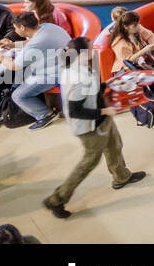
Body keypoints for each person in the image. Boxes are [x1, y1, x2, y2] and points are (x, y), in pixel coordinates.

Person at [41, 37, 146, 219]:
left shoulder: (78, 66)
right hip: (90, 128)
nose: (94, 50)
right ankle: (57, 199)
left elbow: (93, 88)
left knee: (114, 145)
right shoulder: (77, 77)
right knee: (88, 162)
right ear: (82, 53)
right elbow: (76, 110)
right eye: (91, 48)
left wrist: (111, 84)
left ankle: (121, 177)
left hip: (101, 119)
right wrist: (105, 109)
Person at [0, 10, 70, 130]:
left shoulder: (35, 43)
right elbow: (30, 42)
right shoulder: (47, 27)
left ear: (23, 27)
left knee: (18, 96)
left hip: (56, 73)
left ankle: (45, 115)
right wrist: (12, 45)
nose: (15, 31)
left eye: (16, 28)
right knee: (21, 73)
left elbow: (14, 66)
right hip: (66, 63)